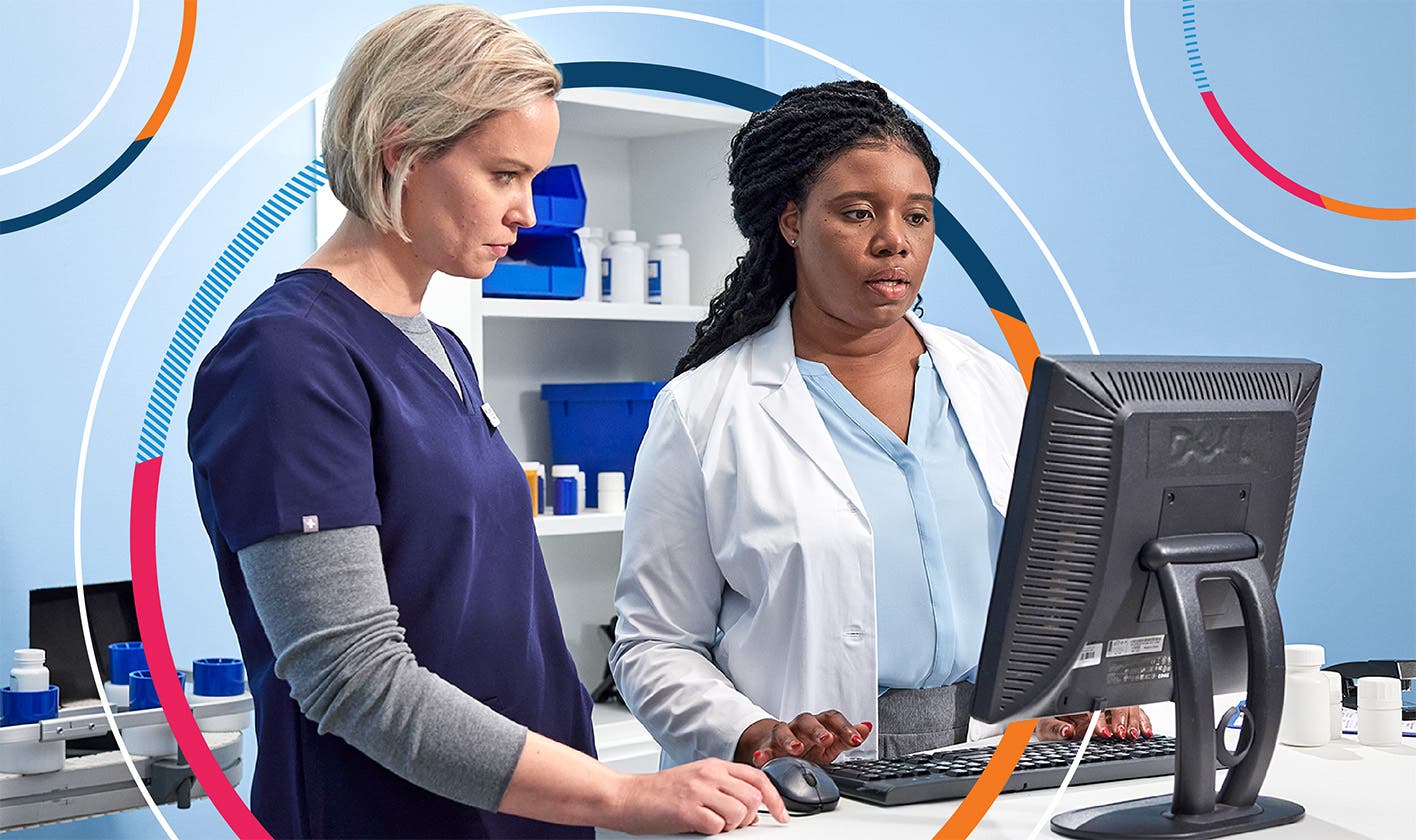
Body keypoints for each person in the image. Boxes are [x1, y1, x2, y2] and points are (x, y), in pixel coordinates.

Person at [187, 6, 785, 838]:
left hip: (514, 815)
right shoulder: (287, 356)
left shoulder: (441, 348)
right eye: (503, 175)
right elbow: (350, 674)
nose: (528, 212)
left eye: (534, 179)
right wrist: (618, 796)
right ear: (400, 153)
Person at [609, 80, 1151, 769]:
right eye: (858, 213)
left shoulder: (993, 383)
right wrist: (753, 732)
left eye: (917, 217)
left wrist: (1088, 685)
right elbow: (652, 644)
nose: (894, 242)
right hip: (808, 773)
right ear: (792, 222)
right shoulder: (704, 410)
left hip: (992, 749)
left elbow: (1057, 585)